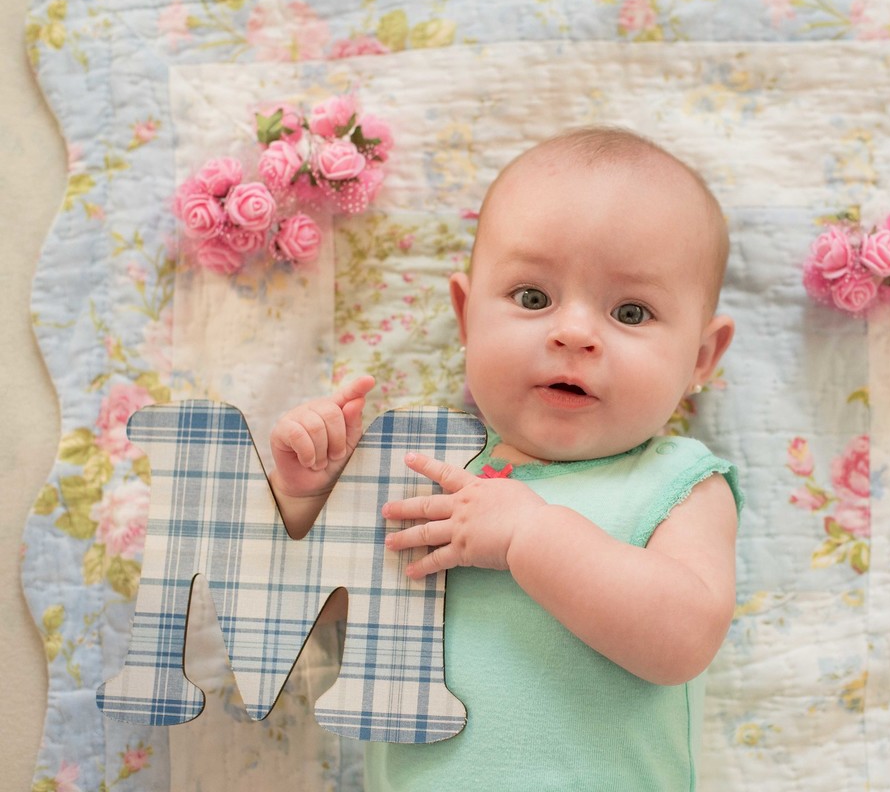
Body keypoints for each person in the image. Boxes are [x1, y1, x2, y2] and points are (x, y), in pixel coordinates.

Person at [268, 126, 740, 790]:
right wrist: (308, 498)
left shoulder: (676, 483)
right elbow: (322, 626)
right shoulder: (431, 477)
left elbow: (683, 641)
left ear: (699, 358)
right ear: (466, 319)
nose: (573, 332)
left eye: (631, 312)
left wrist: (530, 533)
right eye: (532, 298)